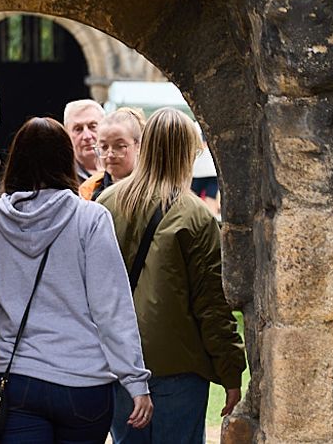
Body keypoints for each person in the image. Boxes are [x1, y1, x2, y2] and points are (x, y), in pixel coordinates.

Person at [0, 117, 152, 444]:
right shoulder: (91, 219)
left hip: (21, 378)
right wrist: (134, 380)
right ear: (65, 159)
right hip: (85, 382)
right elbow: (111, 308)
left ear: (15, 160)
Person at [96, 108, 245, 444]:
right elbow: (212, 305)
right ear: (187, 154)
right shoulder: (196, 216)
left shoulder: (106, 202)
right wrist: (230, 371)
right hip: (178, 366)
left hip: (118, 361)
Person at [79, 108, 142, 201]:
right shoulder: (89, 190)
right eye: (104, 147)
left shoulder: (152, 189)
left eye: (119, 146)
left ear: (138, 146)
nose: (110, 155)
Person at [64, 99, 104, 181]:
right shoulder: (62, 176)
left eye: (92, 127)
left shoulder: (123, 170)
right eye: (78, 129)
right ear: (67, 134)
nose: (87, 136)